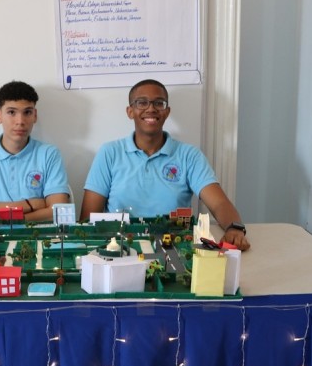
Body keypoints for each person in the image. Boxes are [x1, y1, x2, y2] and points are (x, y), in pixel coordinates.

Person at [80, 79, 250, 250]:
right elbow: (87, 218)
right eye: (142, 103)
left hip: (174, 247)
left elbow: (219, 203)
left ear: (167, 112)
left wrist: (234, 228)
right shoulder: (109, 153)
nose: (151, 109)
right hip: (119, 247)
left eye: (158, 103)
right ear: (130, 112)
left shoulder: (189, 156)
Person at [0, 81, 70, 222]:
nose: (20, 121)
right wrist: (30, 204)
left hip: (35, 233)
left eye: (27, 112)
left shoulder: (49, 154)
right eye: (11, 112)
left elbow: (59, 212)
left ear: (35, 115)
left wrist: (0, 215)